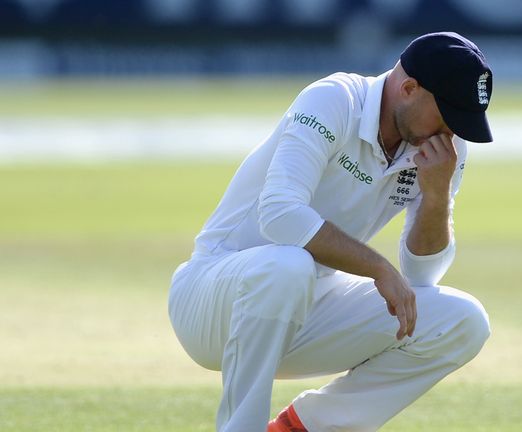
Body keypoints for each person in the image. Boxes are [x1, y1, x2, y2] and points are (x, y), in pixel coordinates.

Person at [168, 31, 493, 432]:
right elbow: (280, 214)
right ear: (409, 88)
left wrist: (437, 195)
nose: (451, 133)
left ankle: (299, 428)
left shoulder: (444, 148)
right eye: (447, 114)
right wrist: (378, 267)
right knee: (288, 265)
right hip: (210, 301)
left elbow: (423, 277)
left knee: (462, 321)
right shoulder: (335, 99)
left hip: (305, 312)